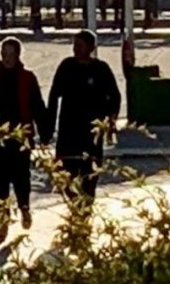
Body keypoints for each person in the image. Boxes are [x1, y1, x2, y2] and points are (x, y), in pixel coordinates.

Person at [0, 38, 50, 243]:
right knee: (0, 181)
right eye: (4, 53)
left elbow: (38, 106)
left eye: (11, 54)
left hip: (21, 136)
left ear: (18, 55)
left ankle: (24, 208)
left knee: (22, 178)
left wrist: (45, 133)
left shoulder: (28, 79)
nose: (7, 57)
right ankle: (3, 220)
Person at [48, 29, 121, 209]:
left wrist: (110, 122)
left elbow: (115, 96)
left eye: (80, 45)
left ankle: (86, 208)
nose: (76, 49)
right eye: (74, 45)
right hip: (68, 130)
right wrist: (48, 125)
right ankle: (75, 205)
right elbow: (54, 95)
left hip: (91, 133)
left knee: (90, 174)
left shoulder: (101, 69)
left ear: (91, 47)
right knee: (65, 173)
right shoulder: (66, 66)